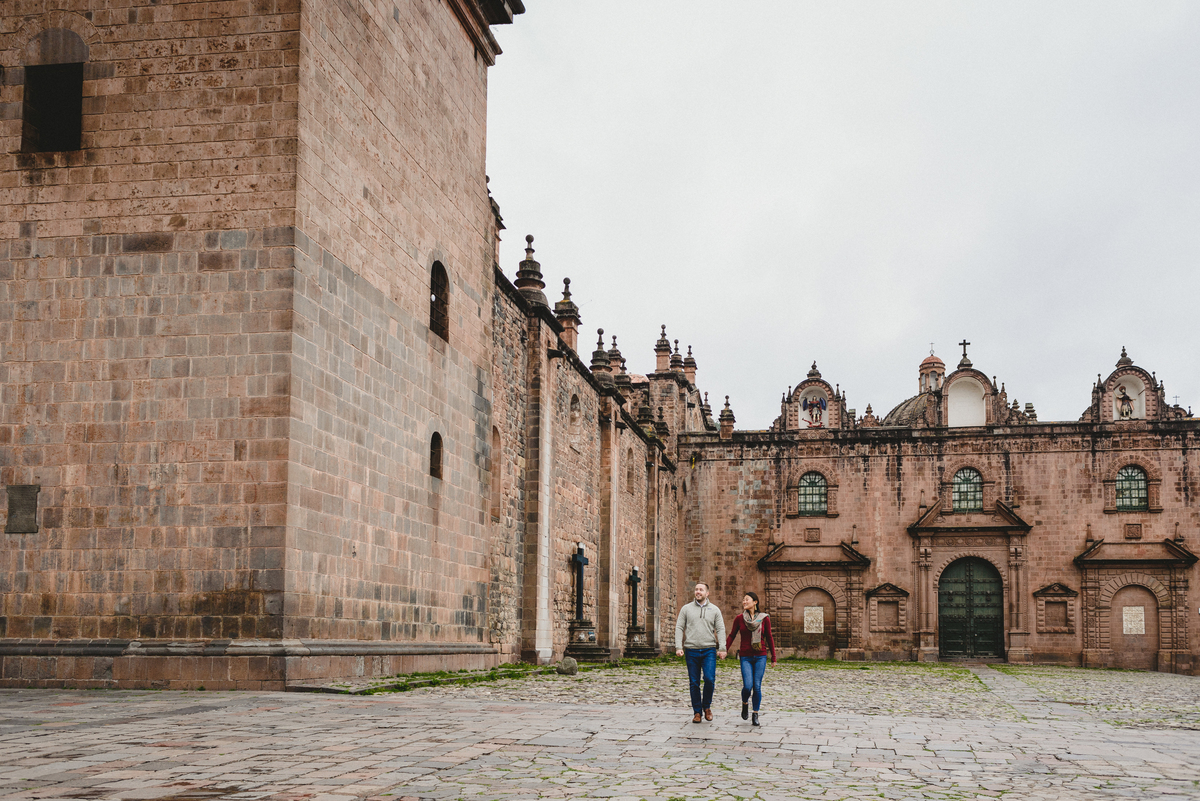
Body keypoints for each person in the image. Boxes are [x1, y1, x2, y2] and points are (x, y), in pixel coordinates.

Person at [675, 582, 726, 723]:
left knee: (709, 679)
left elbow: (720, 629)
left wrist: (722, 648)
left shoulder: (714, 610)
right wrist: (678, 646)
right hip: (691, 650)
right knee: (694, 682)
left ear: (707, 593)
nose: (698, 592)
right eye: (696, 589)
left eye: (701, 590)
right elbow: (679, 627)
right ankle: (697, 712)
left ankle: (707, 706)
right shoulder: (686, 609)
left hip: (709, 650)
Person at [725, 590, 775, 726]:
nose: (744, 602)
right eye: (743, 599)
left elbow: (769, 637)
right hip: (745, 656)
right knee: (747, 686)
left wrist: (773, 657)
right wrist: (724, 649)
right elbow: (732, 635)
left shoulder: (764, 618)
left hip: (760, 656)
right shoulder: (739, 618)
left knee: (757, 686)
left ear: (755, 602)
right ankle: (745, 703)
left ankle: (755, 714)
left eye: (747, 599)